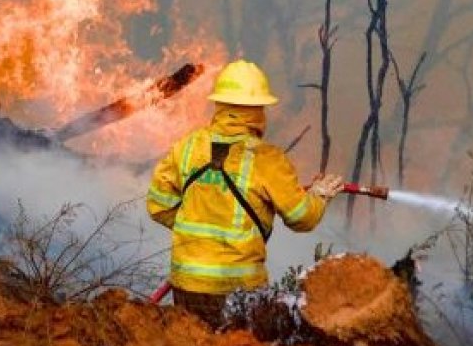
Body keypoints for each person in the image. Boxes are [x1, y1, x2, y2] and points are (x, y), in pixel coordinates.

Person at [146, 60, 345, 328]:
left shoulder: (187, 147)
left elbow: (159, 204)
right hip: (239, 290)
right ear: (258, 110)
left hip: (187, 285)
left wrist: (198, 226)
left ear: (220, 104)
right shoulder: (267, 159)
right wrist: (319, 197)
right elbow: (301, 217)